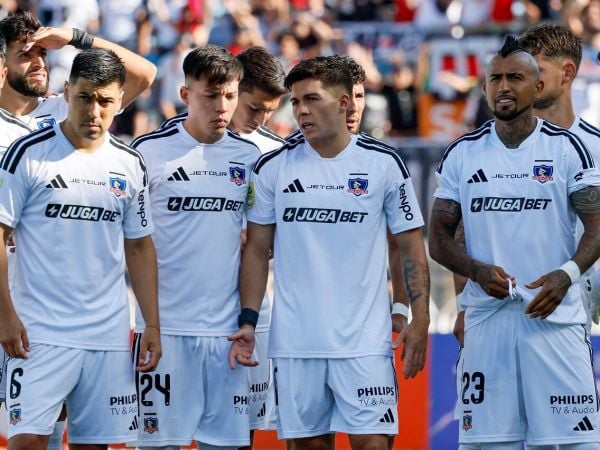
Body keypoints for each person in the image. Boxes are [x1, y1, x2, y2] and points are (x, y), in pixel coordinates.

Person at [228, 55, 430, 450]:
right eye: (295, 101)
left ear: (343, 102)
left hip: (365, 343)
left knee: (373, 445)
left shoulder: (384, 163)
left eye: (311, 99)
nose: (301, 110)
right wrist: (248, 320)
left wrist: (417, 315)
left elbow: (409, 245)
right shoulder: (272, 167)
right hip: (296, 345)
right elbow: (256, 250)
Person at [430, 36, 600, 449]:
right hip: (487, 323)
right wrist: (475, 273)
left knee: (572, 444)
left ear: (537, 86)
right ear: (484, 87)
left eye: (515, 78)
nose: (504, 87)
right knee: (488, 444)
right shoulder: (462, 153)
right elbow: (440, 237)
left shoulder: (568, 148)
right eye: (495, 79)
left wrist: (566, 274)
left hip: (554, 320)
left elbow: (597, 224)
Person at [0, 47, 161, 450]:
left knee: (94, 445)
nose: (94, 110)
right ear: (67, 92)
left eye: (105, 100)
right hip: (38, 331)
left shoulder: (130, 163)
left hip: (107, 333)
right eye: (85, 97)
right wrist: (5, 315)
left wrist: (152, 324)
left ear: (119, 102)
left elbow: (139, 247)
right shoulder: (28, 154)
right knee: (27, 442)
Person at [130, 44, 259, 450]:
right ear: (186, 94)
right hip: (165, 332)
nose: (222, 106)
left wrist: (248, 320)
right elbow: (132, 243)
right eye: (211, 95)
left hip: (226, 335)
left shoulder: (249, 157)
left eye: (230, 95)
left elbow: (258, 246)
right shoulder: (148, 152)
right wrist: (150, 325)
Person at [0, 11, 156, 129]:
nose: (39, 63)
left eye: (43, 53)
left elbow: (145, 75)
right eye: (25, 55)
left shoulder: (70, 107)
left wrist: (77, 38)